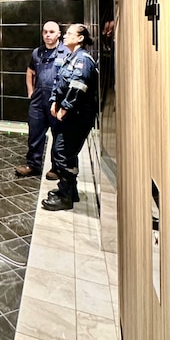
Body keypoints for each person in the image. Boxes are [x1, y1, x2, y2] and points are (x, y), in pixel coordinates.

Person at [42, 23, 98, 211]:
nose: (65, 36)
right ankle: (69, 192)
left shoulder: (83, 60)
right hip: (70, 116)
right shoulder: (70, 57)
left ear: (80, 38)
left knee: (62, 153)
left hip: (77, 117)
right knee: (67, 153)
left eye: (69, 34)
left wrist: (64, 108)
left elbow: (78, 87)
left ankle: (65, 197)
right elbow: (59, 82)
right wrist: (53, 101)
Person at [15, 21, 70, 179]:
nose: (48, 35)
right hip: (38, 99)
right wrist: (30, 91)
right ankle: (33, 165)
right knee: (35, 133)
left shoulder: (66, 52)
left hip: (57, 100)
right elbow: (30, 71)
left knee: (58, 135)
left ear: (59, 34)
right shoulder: (37, 53)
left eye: (52, 32)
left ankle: (57, 168)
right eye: (45, 32)